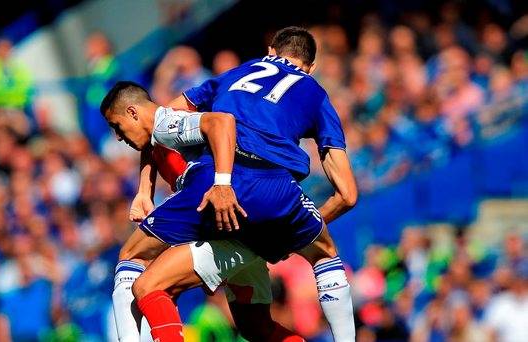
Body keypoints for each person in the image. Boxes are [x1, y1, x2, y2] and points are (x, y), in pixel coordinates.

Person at [107, 26, 358, 341]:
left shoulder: (237, 73)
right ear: (311, 68)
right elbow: (348, 195)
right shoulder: (316, 93)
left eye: (118, 128)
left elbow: (157, 122)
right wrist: (286, 235)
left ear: (270, 52)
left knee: (140, 273)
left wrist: (145, 190)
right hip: (279, 191)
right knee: (265, 315)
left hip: (221, 188)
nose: (120, 137)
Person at [104, 81, 303, 341]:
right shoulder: (158, 138)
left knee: (135, 263)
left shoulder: (170, 121)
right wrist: (144, 190)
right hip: (244, 230)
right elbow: (151, 145)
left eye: (117, 127)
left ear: (132, 112)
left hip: (219, 204)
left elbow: (219, 123)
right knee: (256, 327)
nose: (118, 137)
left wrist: (222, 183)